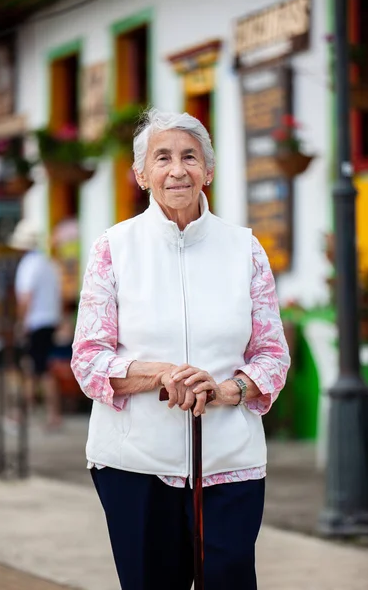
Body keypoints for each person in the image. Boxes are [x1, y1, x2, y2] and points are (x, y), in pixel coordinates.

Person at [71, 108, 290, 590]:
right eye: (162, 157)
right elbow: (88, 360)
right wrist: (162, 375)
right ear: (141, 175)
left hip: (230, 461)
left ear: (207, 171)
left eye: (190, 157)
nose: (177, 169)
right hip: (136, 463)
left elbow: (273, 355)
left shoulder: (246, 249)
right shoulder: (114, 247)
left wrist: (226, 389)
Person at [8, 219, 62, 430]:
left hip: (36, 322)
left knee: (35, 368)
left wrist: (20, 323)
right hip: (49, 321)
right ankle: (41, 413)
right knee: (40, 369)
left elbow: (25, 298)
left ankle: (27, 413)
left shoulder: (28, 265)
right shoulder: (47, 263)